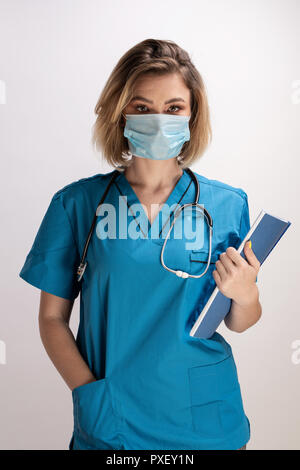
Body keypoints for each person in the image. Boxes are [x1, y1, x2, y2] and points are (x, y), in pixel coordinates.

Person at [19, 38, 261, 450]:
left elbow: (238, 320)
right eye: (141, 107)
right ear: (120, 112)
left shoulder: (227, 204)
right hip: (114, 421)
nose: (158, 119)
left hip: (205, 420)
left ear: (191, 114)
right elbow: (51, 319)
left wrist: (247, 295)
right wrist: (90, 395)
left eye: (173, 108)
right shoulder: (77, 204)